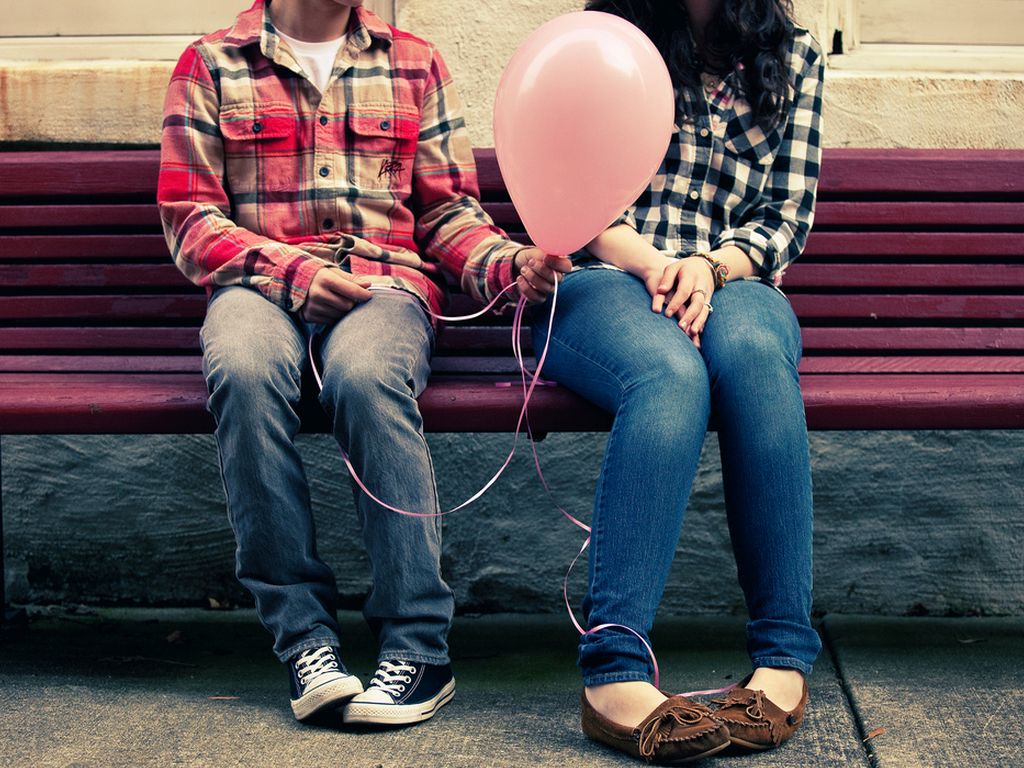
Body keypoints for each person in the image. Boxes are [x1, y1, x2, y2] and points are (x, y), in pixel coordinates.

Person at [158, 0, 569, 728]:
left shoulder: (414, 62)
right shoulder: (210, 64)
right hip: (257, 285)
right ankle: (305, 642)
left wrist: (511, 267)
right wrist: (294, 275)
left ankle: (418, 645)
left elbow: (447, 214)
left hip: (384, 286)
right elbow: (191, 218)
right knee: (244, 371)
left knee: (365, 376)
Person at [524, 0, 825, 761]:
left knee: (754, 358)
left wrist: (709, 267)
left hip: (734, 278)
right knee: (670, 375)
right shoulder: (602, 44)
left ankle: (784, 657)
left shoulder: (792, 56)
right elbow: (575, 200)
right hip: (608, 278)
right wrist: (659, 266)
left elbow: (785, 215)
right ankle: (614, 672)